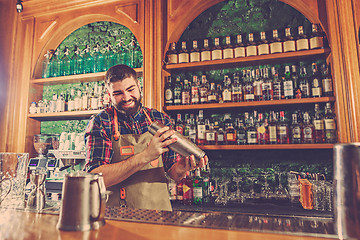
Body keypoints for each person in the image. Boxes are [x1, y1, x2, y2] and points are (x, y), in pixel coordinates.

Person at [85, 64, 208, 211]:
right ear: (108, 93)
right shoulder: (101, 122)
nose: (126, 97)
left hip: (160, 214)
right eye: (118, 93)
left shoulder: (159, 119)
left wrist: (182, 167)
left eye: (131, 89)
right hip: (118, 216)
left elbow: (173, 173)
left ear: (139, 85)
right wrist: (146, 155)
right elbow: (94, 178)